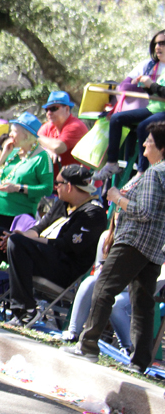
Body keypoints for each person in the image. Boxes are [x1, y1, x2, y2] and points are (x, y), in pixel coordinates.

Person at [65, 122, 165, 372]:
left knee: (103, 288)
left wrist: (118, 198)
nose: (144, 144)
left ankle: (88, 345)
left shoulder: (155, 173)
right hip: (153, 248)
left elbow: (144, 212)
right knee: (143, 304)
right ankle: (140, 362)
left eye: (149, 140)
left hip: (134, 241)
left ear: (161, 147)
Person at [0, 165, 106, 322]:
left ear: (69, 186)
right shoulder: (62, 203)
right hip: (43, 257)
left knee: (17, 242)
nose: (55, 188)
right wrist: (17, 236)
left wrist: (22, 240)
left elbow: (65, 245)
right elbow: (39, 228)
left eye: (58, 183)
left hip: (64, 269)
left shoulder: (93, 213)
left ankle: (26, 309)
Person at [94, 30, 165, 181]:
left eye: (162, 43)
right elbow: (152, 91)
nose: (158, 47)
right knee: (116, 118)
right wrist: (144, 85)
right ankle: (111, 163)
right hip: (153, 109)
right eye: (156, 44)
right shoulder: (153, 66)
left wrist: (150, 84)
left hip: (162, 112)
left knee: (144, 126)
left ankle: (142, 170)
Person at [0, 112, 54, 231]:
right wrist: (3, 155)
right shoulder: (12, 151)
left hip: (17, 216)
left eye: (14, 131)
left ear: (27, 135)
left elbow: (47, 189)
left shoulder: (42, 157)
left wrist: (18, 188)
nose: (10, 134)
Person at [37, 90, 88, 175]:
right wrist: (47, 150)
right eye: (47, 109)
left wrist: (37, 137)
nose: (49, 113)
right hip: (60, 180)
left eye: (53, 108)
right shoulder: (48, 126)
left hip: (80, 180)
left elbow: (58, 147)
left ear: (67, 109)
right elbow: (33, 145)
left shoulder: (75, 126)